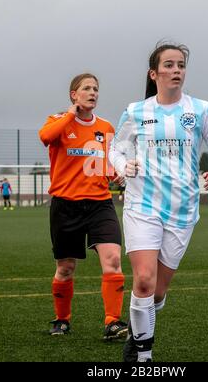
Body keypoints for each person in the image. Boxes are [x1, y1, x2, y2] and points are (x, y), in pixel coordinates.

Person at [109, 42, 208, 362]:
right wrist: (124, 167)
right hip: (142, 206)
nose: (176, 70)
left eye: (180, 65)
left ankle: (137, 334)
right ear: (154, 73)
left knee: (158, 292)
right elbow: (115, 150)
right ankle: (143, 357)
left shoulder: (202, 110)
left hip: (183, 210)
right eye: (169, 65)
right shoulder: (136, 111)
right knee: (144, 280)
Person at [39, 73, 128, 339]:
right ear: (73, 94)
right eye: (86, 88)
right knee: (65, 268)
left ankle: (113, 322)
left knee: (112, 259)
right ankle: (61, 320)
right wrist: (69, 115)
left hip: (100, 204)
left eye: (96, 89)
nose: (93, 93)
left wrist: (118, 174)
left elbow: (109, 166)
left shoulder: (107, 127)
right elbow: (46, 137)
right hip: (66, 205)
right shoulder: (58, 121)